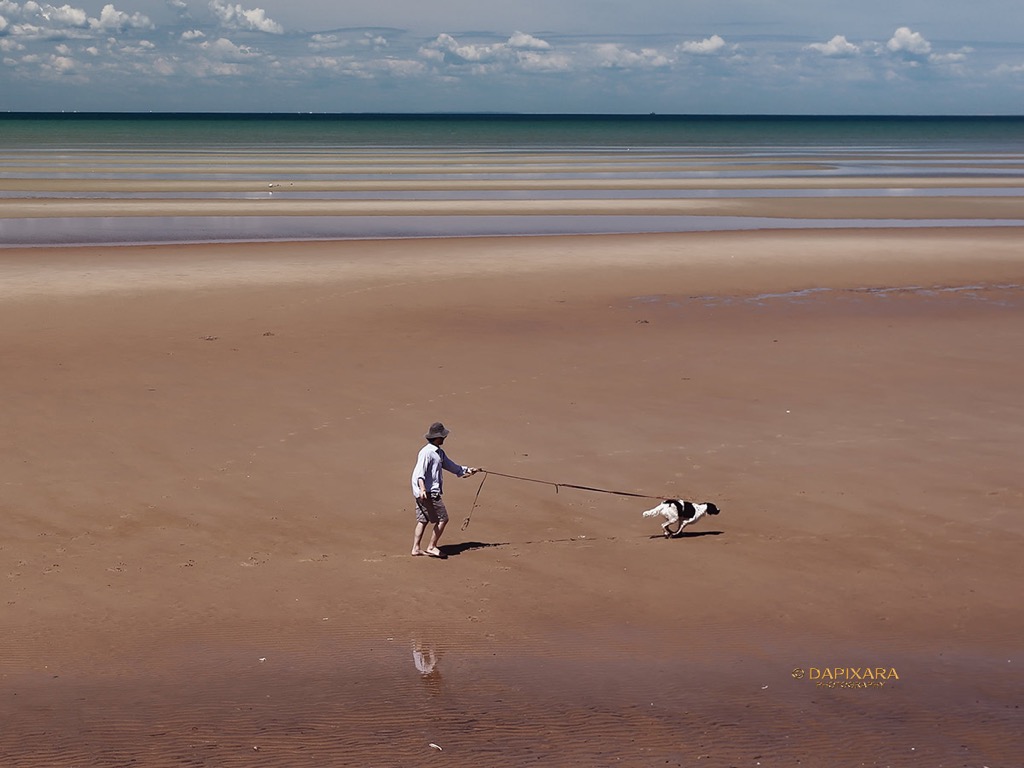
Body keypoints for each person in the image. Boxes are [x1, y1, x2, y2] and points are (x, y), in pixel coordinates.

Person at [410, 422, 478, 557]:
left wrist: (468, 470)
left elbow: (452, 466)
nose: (444, 439)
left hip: (424, 492)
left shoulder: (439, 453)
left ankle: (416, 549)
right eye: (443, 437)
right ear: (437, 437)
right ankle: (431, 546)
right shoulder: (426, 453)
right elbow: (419, 473)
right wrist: (423, 489)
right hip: (428, 492)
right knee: (443, 519)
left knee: (423, 519)